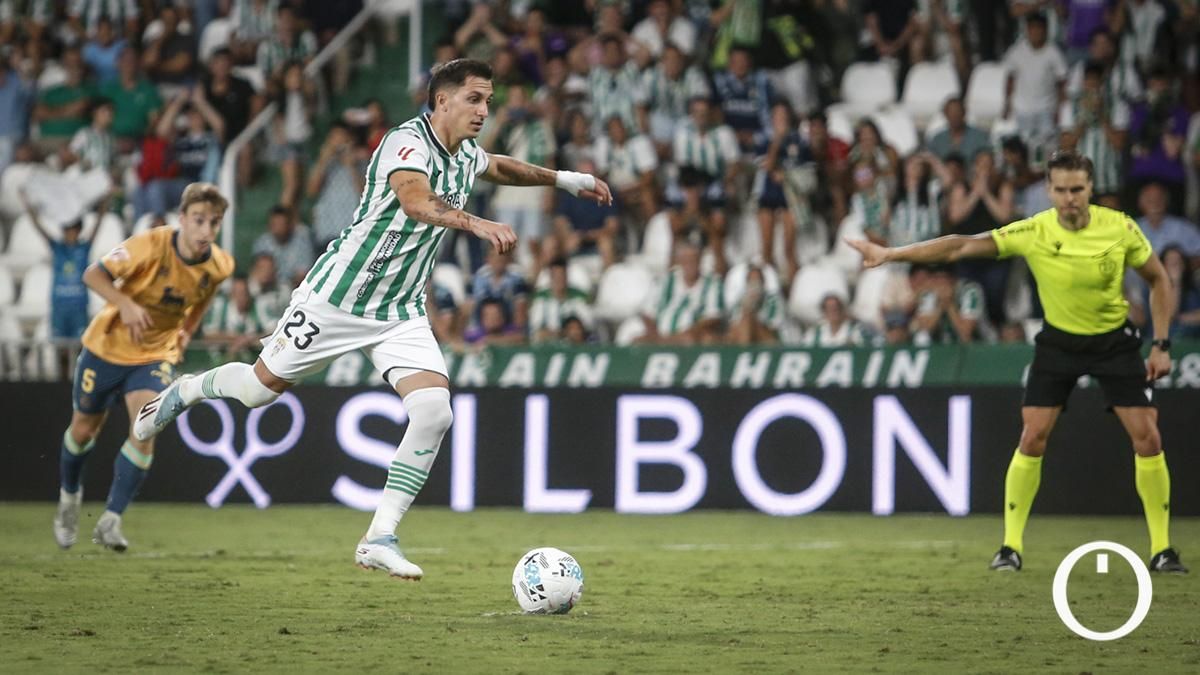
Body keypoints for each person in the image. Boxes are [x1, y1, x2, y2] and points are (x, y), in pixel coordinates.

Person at [132, 59, 611, 580]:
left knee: (434, 411)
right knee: (257, 391)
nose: (483, 109)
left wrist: (566, 178)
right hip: (336, 298)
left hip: (399, 309)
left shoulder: (465, 152)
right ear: (442, 100)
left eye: (489, 101)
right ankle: (186, 390)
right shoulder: (405, 143)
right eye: (474, 98)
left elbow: (496, 166)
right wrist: (476, 222)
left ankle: (379, 535)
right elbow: (414, 201)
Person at [847, 151, 1186, 574]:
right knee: (1033, 436)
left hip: (1113, 343)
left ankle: (1162, 550)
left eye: (1077, 189)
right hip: (1058, 344)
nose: (1069, 198)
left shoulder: (1120, 228)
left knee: (1148, 438)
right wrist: (892, 254)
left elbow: (1158, 279)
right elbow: (959, 247)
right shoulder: (1035, 230)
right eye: (1060, 190)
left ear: (1090, 188)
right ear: (1048, 190)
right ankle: (1009, 547)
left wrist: (1162, 344)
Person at [52, 183, 233, 552]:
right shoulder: (150, 245)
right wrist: (126, 304)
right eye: (198, 220)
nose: (206, 231)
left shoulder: (219, 265)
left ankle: (111, 520)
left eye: (213, 223)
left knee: (146, 426)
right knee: (83, 431)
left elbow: (202, 298)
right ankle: (69, 501)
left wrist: (185, 332)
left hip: (153, 355)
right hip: (105, 348)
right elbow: (93, 274)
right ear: (181, 219)